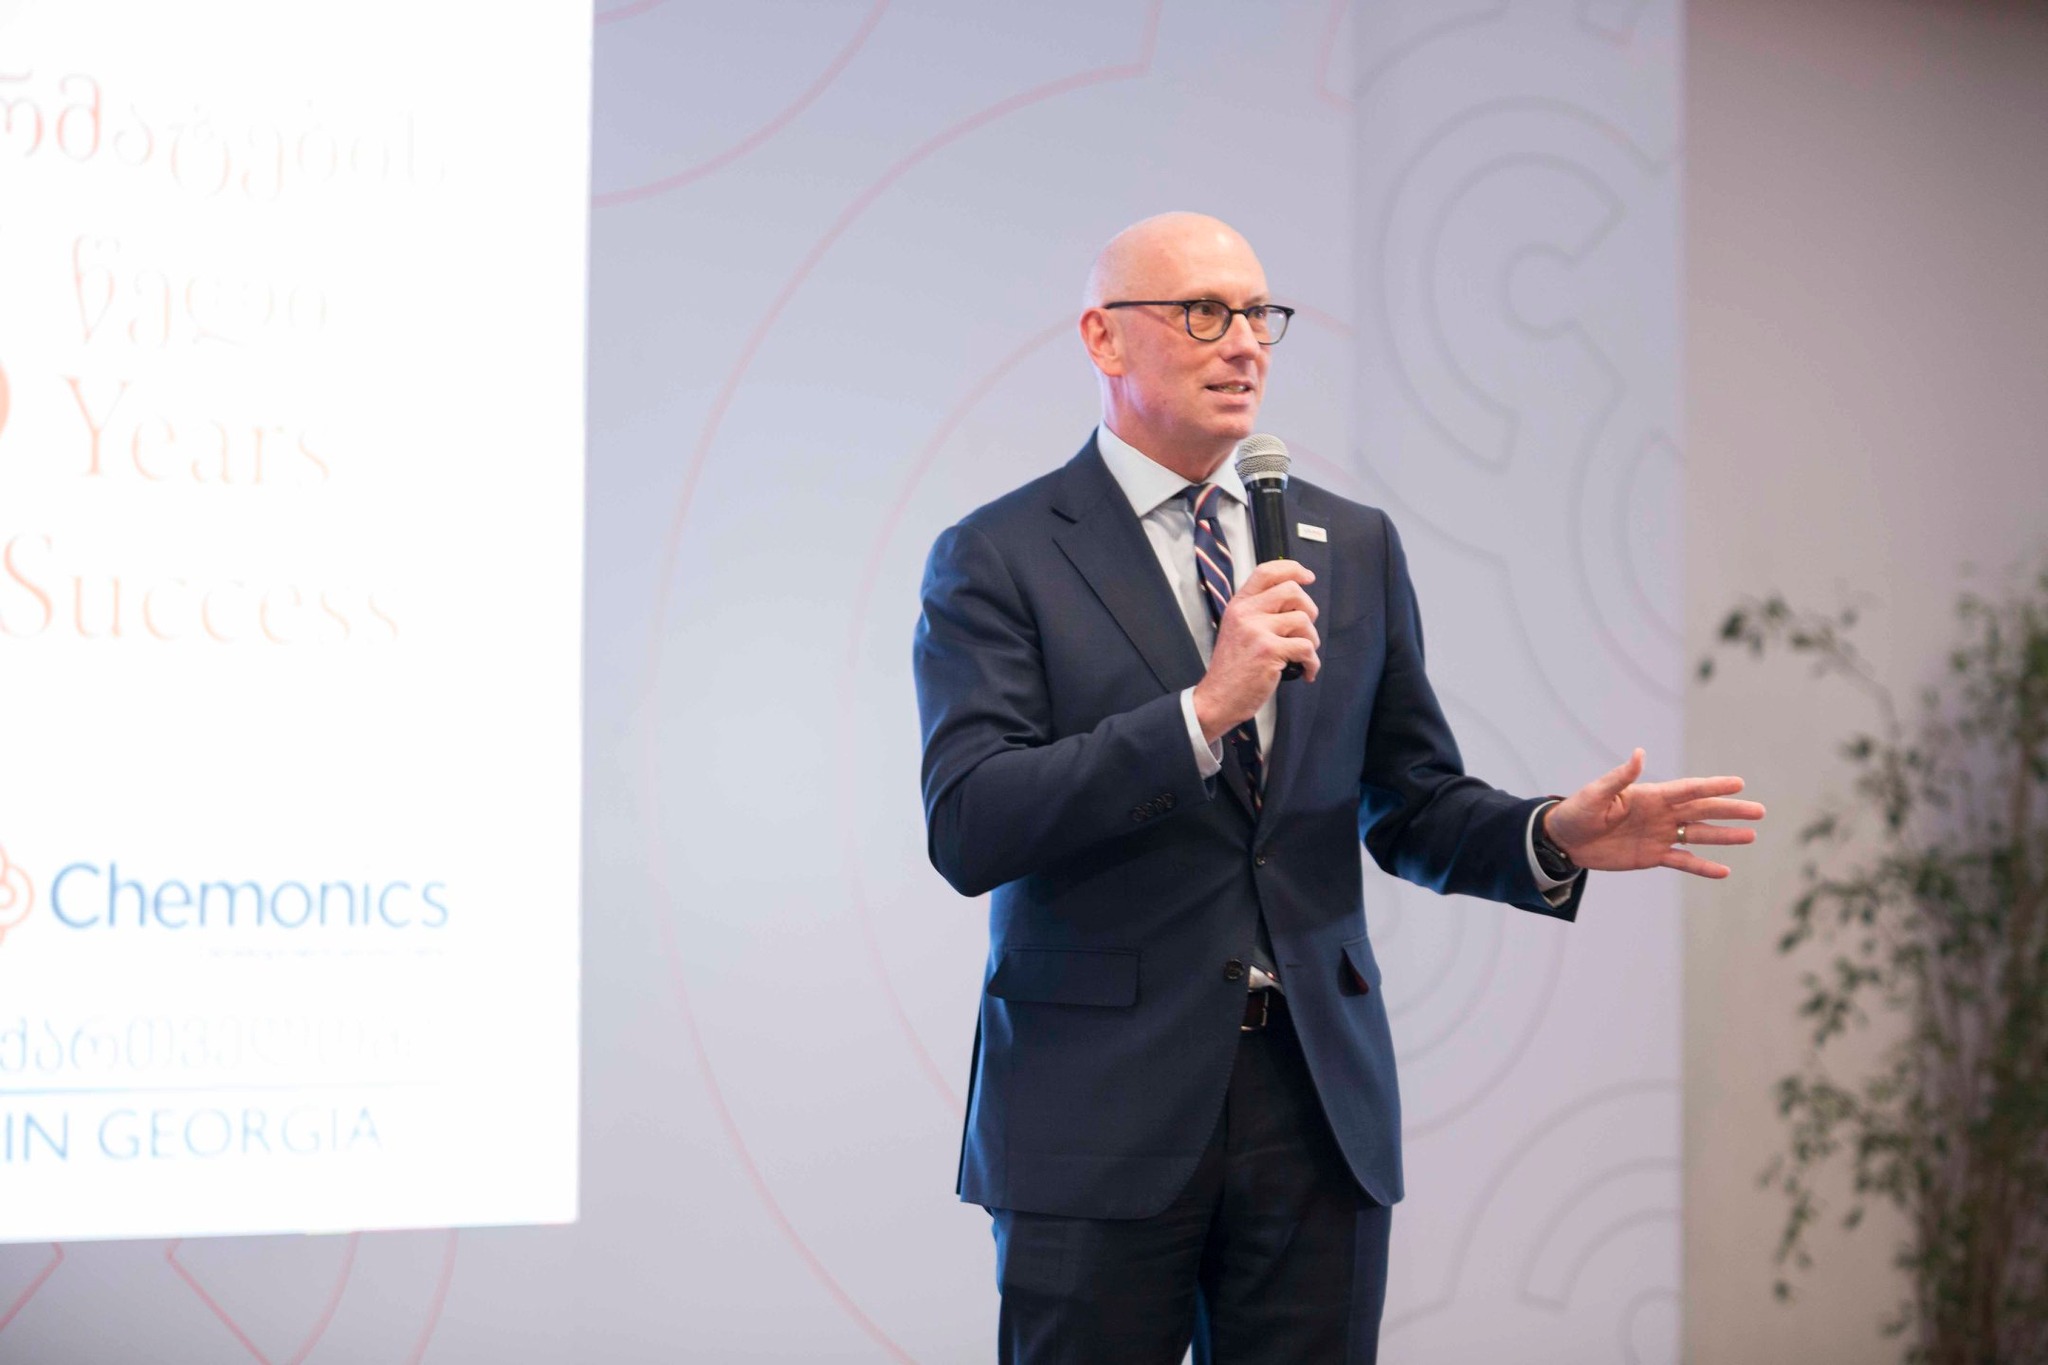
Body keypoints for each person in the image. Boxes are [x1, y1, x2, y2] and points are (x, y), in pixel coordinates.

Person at [911, 212, 1764, 1364]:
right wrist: (1200, 713)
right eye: (1202, 313)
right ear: (1103, 339)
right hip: (1095, 1111)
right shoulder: (1000, 553)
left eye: (1257, 315)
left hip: (1313, 1107)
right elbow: (971, 821)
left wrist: (1548, 836)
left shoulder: (1348, 544)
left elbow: (1408, 801)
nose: (1242, 343)